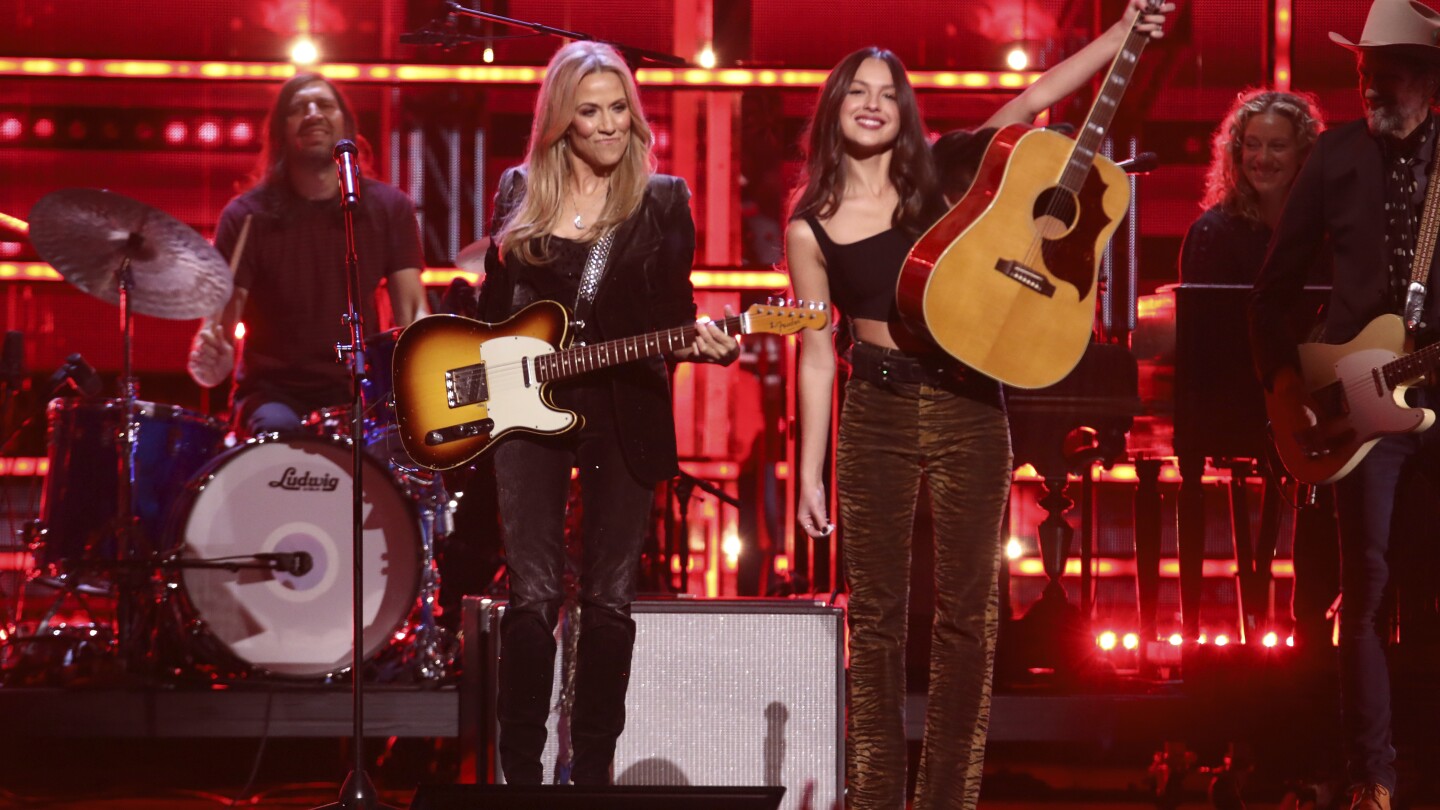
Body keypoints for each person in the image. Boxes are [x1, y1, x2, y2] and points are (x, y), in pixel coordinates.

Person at [785, 2, 1171, 808]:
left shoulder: (946, 173)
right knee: (880, 622)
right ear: (833, 107)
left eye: (888, 92)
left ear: (904, 109)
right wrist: (810, 472)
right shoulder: (808, 224)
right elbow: (817, 349)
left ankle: (947, 801)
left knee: (970, 621)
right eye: (857, 89)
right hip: (876, 412)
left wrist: (1122, 33)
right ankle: (874, 796)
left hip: (967, 404)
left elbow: (1031, 103)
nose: (872, 102)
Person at [477, 41, 739, 785]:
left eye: (618, 108)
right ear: (560, 121)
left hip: (627, 411)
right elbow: (491, 314)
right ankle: (520, 777)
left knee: (609, 596)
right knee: (530, 593)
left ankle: (591, 773)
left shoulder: (664, 200)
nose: (608, 125)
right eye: (588, 111)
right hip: (529, 410)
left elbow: (677, 317)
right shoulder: (519, 190)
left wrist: (708, 345)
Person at [1250, 1, 1440, 808]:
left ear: (1429, 81)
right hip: (1360, 406)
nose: (1371, 89)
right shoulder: (1333, 158)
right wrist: (1288, 392)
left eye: (1387, 76)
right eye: (1363, 75)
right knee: (1362, 593)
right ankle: (1375, 777)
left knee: (1430, 590)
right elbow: (1270, 297)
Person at [187, 72, 428, 435]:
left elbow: (412, 314)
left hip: (362, 392)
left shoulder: (390, 209)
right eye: (298, 108)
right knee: (279, 434)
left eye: (324, 105)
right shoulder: (246, 217)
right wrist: (212, 360)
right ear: (281, 132)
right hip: (272, 395)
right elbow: (218, 330)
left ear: (346, 125)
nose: (313, 113)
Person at [1181, 89, 1325, 285]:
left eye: (1277, 146)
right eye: (1252, 145)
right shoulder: (1213, 232)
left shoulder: (1327, 229)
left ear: (1303, 154)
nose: (1263, 158)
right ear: (1239, 152)